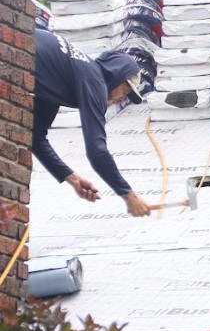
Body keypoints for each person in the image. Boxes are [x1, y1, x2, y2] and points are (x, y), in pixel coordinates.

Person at [32, 28, 152, 217]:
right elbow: (97, 151)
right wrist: (129, 195)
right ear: (116, 75)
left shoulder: (66, 75)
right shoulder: (95, 81)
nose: (122, 99)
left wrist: (71, 178)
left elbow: (35, 137)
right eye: (126, 91)